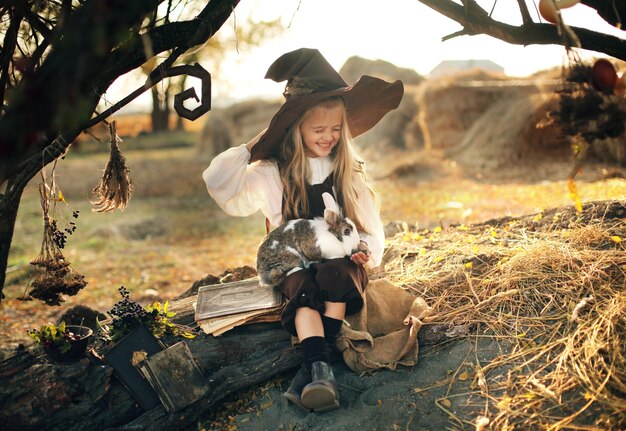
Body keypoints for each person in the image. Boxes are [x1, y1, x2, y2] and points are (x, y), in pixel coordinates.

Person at [202, 48, 404, 412]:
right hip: (293, 263)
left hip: (339, 264)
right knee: (303, 285)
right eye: (318, 129)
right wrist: (256, 144)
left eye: (336, 129)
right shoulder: (270, 172)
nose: (328, 137)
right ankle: (322, 365)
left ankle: (315, 367)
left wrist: (364, 250)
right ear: (296, 127)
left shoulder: (346, 170)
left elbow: (369, 230)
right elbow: (221, 185)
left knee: (336, 274)